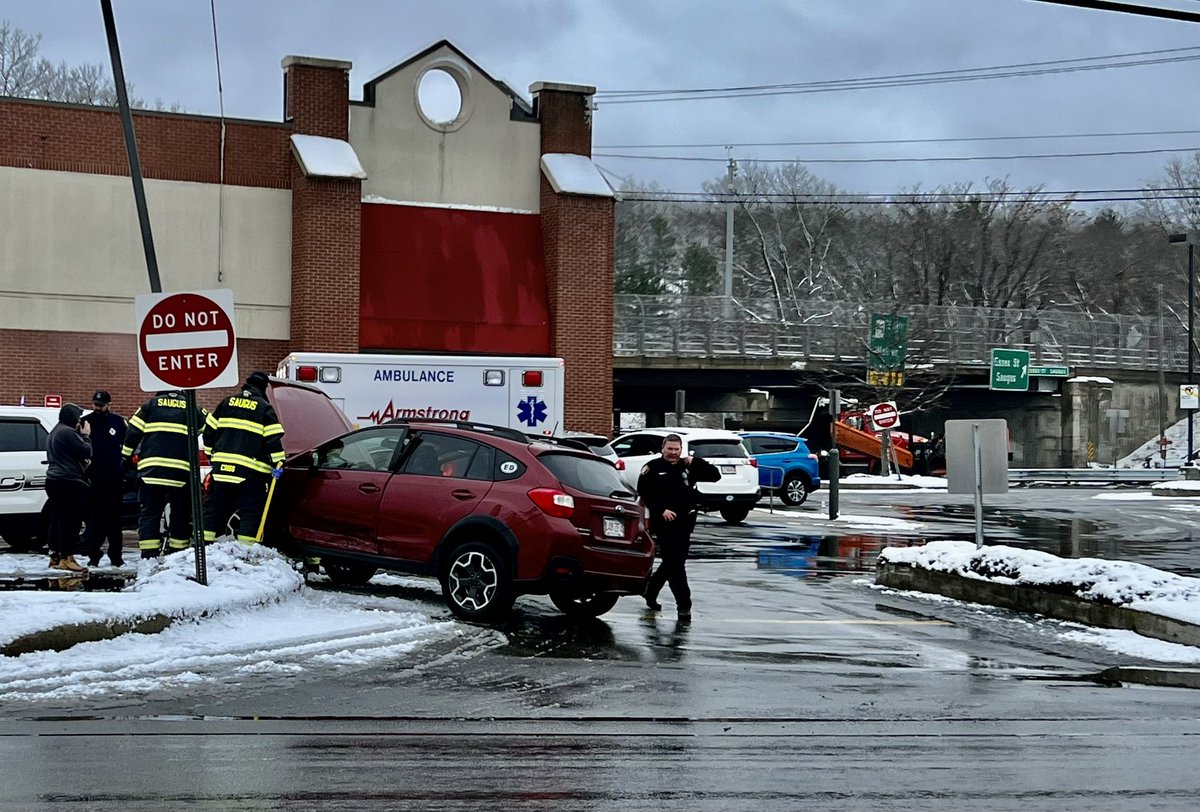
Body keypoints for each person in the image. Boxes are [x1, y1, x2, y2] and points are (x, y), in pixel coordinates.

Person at [635, 433, 721, 619]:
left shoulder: (687, 466)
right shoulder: (652, 468)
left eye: (676, 449)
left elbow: (715, 476)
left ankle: (650, 590)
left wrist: (695, 461)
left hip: (686, 521)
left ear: (681, 450)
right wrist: (660, 510)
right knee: (676, 564)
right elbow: (644, 492)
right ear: (662, 449)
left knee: (673, 561)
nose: (673, 453)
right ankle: (684, 606)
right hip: (665, 522)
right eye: (669, 449)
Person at [202, 371, 285, 546]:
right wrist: (279, 463)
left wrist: (213, 456)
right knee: (250, 512)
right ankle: (245, 551)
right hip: (251, 474)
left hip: (221, 471)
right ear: (264, 387)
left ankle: (204, 548)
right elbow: (273, 441)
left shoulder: (225, 403)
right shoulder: (264, 408)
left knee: (213, 510)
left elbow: (208, 432)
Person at [122, 389, 206, 558]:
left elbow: (132, 432)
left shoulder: (149, 406)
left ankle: (149, 554)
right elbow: (211, 427)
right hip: (180, 473)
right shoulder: (192, 407)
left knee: (150, 513)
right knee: (180, 514)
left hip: (151, 472)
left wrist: (125, 456)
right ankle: (177, 554)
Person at [81, 390, 127, 566]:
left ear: (109, 405)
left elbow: (127, 446)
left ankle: (116, 556)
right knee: (95, 520)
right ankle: (94, 554)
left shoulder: (118, 422)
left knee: (115, 521)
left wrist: (124, 469)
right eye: (95, 405)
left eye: (101, 405)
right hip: (94, 479)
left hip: (114, 478)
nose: (97, 408)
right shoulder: (86, 421)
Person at [44, 403, 92, 572]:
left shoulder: (55, 431)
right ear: (72, 418)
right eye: (78, 417)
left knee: (57, 519)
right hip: (69, 481)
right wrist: (86, 436)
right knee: (71, 521)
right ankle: (67, 557)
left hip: (54, 480)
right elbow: (86, 451)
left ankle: (55, 556)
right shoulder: (68, 432)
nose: (80, 421)